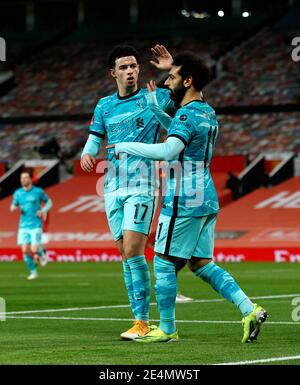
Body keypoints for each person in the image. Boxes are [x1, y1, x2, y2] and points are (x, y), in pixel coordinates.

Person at [110, 52, 268, 343]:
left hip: (183, 196)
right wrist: (160, 107)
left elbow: (168, 151)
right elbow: (182, 131)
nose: (168, 82)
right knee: (201, 263)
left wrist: (125, 146)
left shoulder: (185, 114)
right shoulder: (205, 110)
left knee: (163, 262)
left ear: (188, 80)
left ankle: (167, 330)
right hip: (206, 196)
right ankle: (250, 309)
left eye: (172, 77)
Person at [81, 44, 178, 340]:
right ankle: (140, 320)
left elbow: (192, 95)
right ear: (113, 73)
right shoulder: (104, 105)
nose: (130, 71)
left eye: (134, 66)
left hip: (142, 185)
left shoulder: (156, 96)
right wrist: (87, 153)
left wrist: (172, 69)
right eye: (124, 67)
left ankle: (143, 322)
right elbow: (95, 137)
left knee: (135, 250)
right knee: (126, 253)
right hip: (112, 186)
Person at [10, 170, 52, 280]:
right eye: (21, 178)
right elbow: (13, 205)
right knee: (25, 251)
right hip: (23, 226)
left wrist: (44, 210)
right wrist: (13, 208)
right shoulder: (18, 193)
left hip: (36, 225)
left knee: (34, 249)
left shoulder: (38, 191)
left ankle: (41, 251)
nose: (23, 180)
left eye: (25, 177)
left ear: (30, 179)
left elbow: (49, 202)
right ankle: (33, 272)